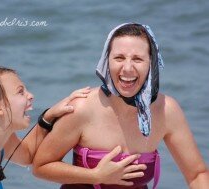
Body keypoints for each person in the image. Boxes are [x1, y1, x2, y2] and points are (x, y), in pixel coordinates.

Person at [33, 23, 209, 189]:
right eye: (119, 57)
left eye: (138, 59)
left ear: (151, 63)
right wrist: (95, 176)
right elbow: (41, 166)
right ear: (106, 61)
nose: (127, 68)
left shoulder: (166, 111)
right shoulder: (82, 108)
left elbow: (197, 174)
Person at [0, 66, 146, 189]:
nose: (30, 96)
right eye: (21, 92)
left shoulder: (2, 139)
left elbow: (29, 156)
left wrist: (50, 115)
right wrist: (95, 175)